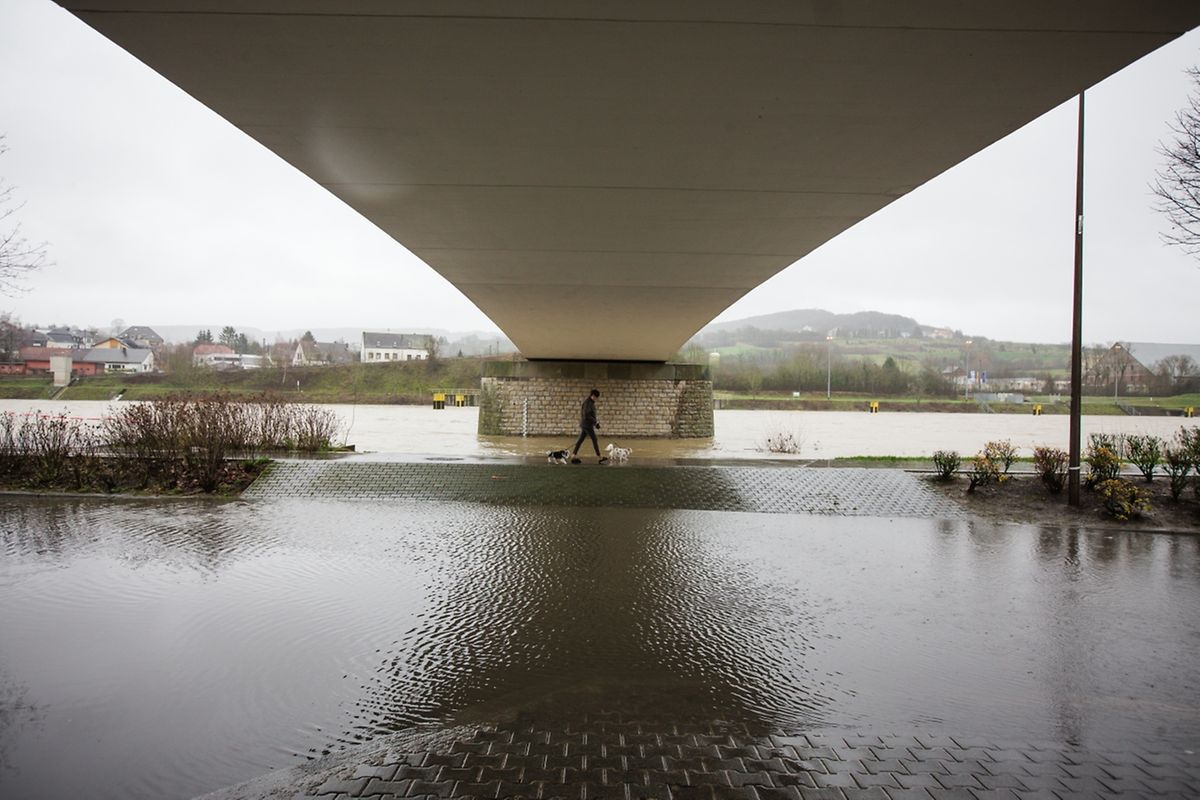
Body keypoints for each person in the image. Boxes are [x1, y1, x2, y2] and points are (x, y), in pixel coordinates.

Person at [571, 388, 607, 463]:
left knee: (580, 440)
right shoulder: (588, 403)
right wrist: (595, 422)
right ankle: (599, 457)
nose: (596, 399)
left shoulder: (589, 402)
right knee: (594, 439)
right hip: (587, 425)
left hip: (586, 424)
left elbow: (589, 414)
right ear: (593, 395)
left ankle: (573, 455)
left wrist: (595, 423)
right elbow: (586, 415)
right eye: (596, 397)